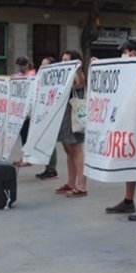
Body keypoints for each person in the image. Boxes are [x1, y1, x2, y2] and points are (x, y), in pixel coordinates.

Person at [105, 37, 136, 219]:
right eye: (124, 53)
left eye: (128, 52)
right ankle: (128, 201)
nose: (125, 55)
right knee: (132, 162)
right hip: (132, 124)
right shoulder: (127, 73)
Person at [54, 50, 87, 197]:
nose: (63, 63)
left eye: (66, 60)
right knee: (69, 151)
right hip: (65, 116)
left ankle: (82, 186)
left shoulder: (78, 74)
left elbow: (80, 83)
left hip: (74, 116)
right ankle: (71, 182)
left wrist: (77, 69)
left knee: (76, 150)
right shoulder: (64, 75)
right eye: (62, 60)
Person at [35, 56, 59, 180]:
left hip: (50, 113)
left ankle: (51, 169)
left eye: (45, 65)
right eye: (41, 64)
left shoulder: (55, 80)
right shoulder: (40, 78)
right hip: (42, 113)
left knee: (50, 141)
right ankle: (48, 167)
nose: (42, 67)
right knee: (44, 140)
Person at [12, 56, 36, 168]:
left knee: (27, 135)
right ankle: (25, 156)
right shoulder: (19, 76)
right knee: (23, 135)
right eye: (19, 65)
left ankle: (28, 158)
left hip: (29, 111)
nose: (20, 67)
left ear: (27, 64)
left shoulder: (33, 76)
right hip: (21, 111)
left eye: (22, 65)